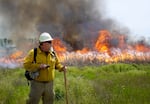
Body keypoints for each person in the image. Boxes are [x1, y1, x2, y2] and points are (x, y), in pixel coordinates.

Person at [23, 32, 66, 104]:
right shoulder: (33, 53)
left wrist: (62, 68)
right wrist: (38, 66)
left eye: (50, 42)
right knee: (33, 101)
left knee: (49, 101)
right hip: (37, 83)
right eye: (48, 42)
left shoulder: (53, 53)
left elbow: (57, 64)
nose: (50, 44)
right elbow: (26, 65)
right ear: (42, 44)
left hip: (50, 84)